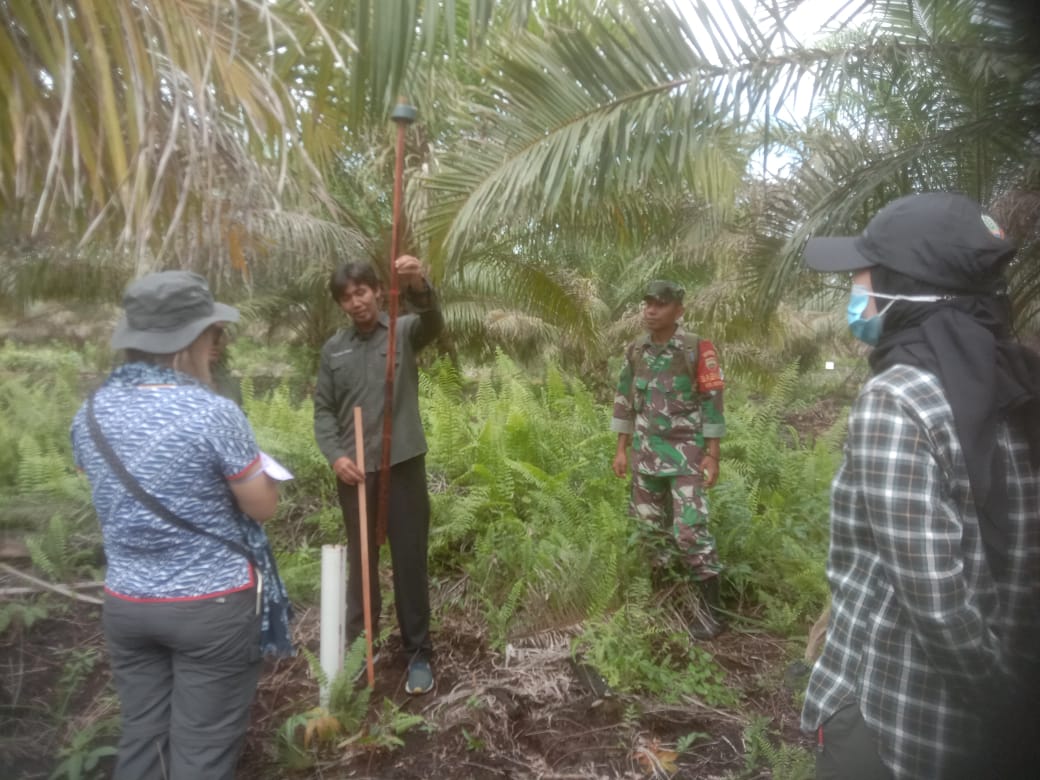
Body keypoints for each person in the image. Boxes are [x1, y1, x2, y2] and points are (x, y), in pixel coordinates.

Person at [801, 192, 1040, 780]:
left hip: (897, 719)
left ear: (902, 286)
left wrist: (1004, 707)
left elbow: (936, 604)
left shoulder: (898, 398)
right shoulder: (1017, 382)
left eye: (863, 273)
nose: (856, 288)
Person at [70, 270, 293, 780]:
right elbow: (261, 507)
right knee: (202, 754)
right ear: (192, 340)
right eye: (215, 334)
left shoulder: (90, 414)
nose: (218, 346)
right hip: (210, 607)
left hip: (127, 604)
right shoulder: (213, 414)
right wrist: (266, 475)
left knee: (143, 744)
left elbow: (100, 481)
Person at [313, 256, 443, 694]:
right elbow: (323, 413)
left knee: (410, 564)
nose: (355, 302)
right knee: (362, 568)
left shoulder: (404, 332)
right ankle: (358, 654)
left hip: (403, 465)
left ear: (375, 291)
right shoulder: (334, 350)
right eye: (346, 297)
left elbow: (433, 322)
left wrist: (419, 283)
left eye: (361, 292)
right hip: (356, 475)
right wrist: (335, 457)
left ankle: (419, 654)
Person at [611, 280, 727, 639]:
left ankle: (712, 614)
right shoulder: (636, 351)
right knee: (649, 534)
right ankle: (665, 602)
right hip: (646, 458)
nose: (650, 310)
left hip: (686, 458)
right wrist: (621, 448)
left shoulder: (695, 348)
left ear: (679, 310)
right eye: (647, 303)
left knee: (690, 532)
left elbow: (712, 400)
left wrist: (712, 455)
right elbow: (625, 400)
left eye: (659, 304)